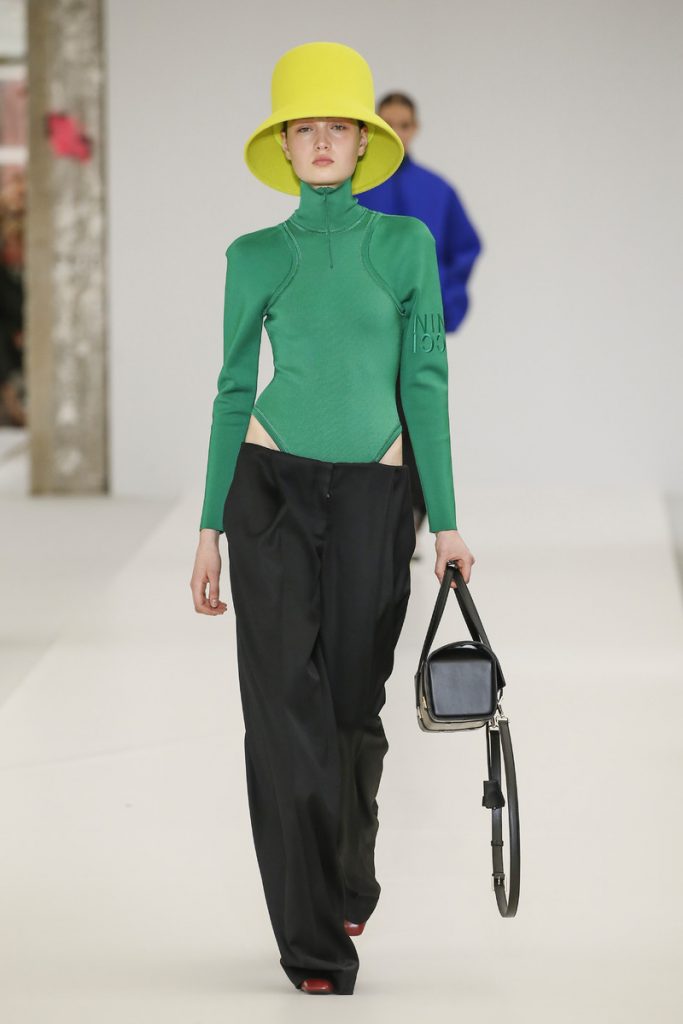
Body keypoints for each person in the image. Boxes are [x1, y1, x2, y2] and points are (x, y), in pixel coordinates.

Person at [190, 41, 475, 996]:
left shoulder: (405, 246)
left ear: (363, 144)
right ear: (283, 145)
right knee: (283, 715)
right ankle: (313, 940)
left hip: (372, 498)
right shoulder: (253, 256)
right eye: (302, 128)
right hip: (267, 489)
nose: (320, 142)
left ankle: (348, 871)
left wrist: (444, 520)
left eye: (336, 128)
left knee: (353, 707)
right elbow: (233, 389)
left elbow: (425, 381)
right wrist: (208, 527)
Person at [357, 91, 481, 537]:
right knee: (370, 416)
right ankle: (373, 517)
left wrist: (441, 298)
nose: (397, 131)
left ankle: (413, 513)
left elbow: (464, 247)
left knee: (420, 415)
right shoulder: (354, 189)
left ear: (415, 129)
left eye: (404, 124)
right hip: (365, 328)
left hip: (419, 327)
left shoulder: (437, 190)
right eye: (387, 123)